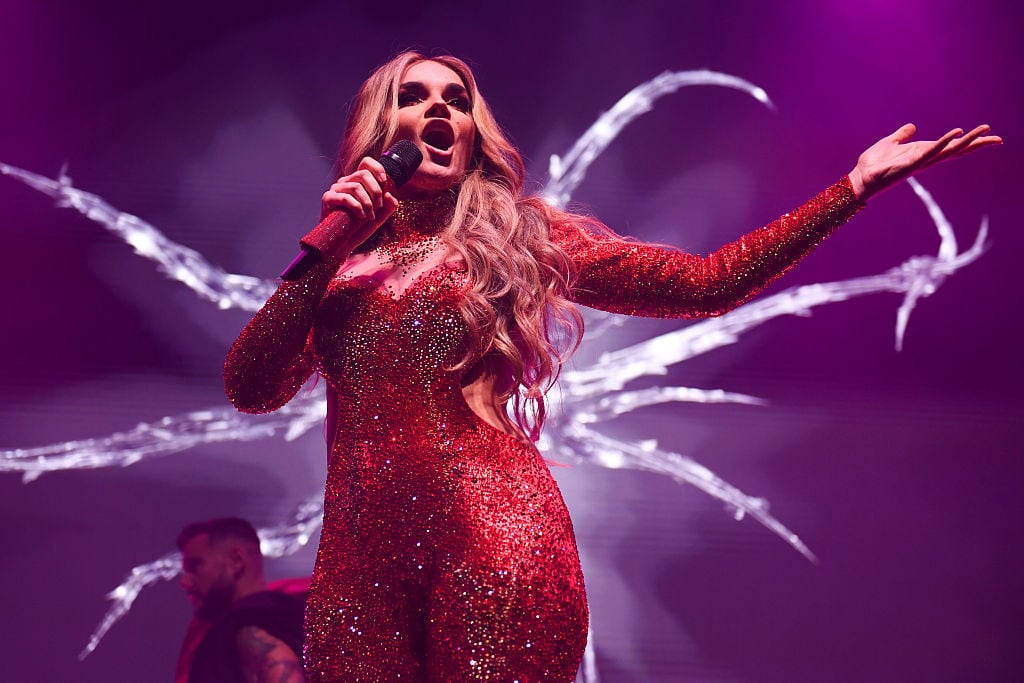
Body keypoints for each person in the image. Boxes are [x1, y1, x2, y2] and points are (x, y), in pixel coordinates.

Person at [223, 51, 1000, 682]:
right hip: (358, 572)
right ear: (376, 128)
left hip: (494, 541)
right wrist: (325, 248)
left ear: (471, 133)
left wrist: (851, 189)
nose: (439, 109)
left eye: (456, 99)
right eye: (414, 96)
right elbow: (250, 387)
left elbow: (705, 282)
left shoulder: (517, 235)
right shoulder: (331, 272)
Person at [175, 517, 307, 683]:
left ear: (237, 560)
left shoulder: (246, 629)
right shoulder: (298, 620)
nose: (185, 582)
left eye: (195, 566)